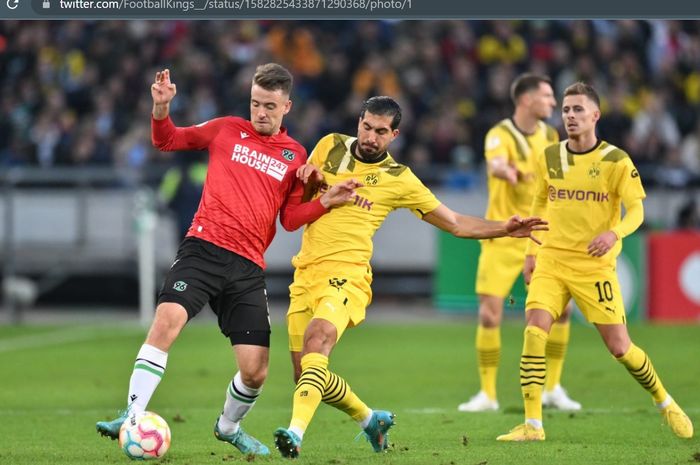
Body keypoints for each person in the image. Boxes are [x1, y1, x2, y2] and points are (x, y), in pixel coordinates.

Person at [96, 64, 361, 456]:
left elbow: (288, 220)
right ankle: (133, 414)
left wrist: (323, 201)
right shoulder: (226, 129)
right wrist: (161, 108)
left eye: (270, 105)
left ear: (286, 105)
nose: (261, 112)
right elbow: (166, 141)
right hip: (202, 250)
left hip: (247, 268)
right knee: (166, 321)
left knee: (256, 371)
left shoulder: (295, 155)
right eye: (255, 103)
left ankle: (228, 426)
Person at [272, 96, 549, 458]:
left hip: (348, 275)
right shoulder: (329, 146)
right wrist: (307, 178)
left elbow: (455, 223)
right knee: (307, 376)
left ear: (395, 135)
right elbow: (300, 208)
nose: (371, 137)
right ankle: (371, 419)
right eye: (367, 127)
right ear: (359, 122)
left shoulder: (399, 179)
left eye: (381, 132)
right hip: (306, 273)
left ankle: (295, 434)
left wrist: (504, 228)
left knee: (318, 338)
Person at [497, 82, 693, 442]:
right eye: (566, 110)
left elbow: (636, 210)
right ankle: (533, 424)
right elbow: (539, 203)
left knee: (620, 348)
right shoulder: (550, 156)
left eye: (578, 110)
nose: (570, 116)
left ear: (595, 115)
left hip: (593, 267)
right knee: (534, 331)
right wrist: (531, 252)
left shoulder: (615, 161)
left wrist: (614, 233)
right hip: (553, 259)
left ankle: (665, 401)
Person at [458, 73, 581, 413]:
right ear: (527, 100)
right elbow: (496, 164)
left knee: (562, 310)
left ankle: (553, 388)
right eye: (547, 96)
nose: (553, 104)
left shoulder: (551, 135)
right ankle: (487, 395)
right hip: (503, 235)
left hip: (541, 236)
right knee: (488, 314)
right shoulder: (500, 134)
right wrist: (505, 172)